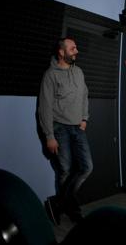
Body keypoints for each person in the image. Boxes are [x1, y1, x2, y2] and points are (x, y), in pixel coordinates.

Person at [38, 37, 93, 224]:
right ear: (61, 52)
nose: (76, 51)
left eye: (76, 48)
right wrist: (49, 136)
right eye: (72, 48)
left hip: (78, 127)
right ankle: (71, 207)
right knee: (65, 171)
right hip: (59, 128)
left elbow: (85, 95)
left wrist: (84, 118)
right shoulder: (50, 75)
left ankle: (57, 203)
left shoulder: (78, 72)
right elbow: (44, 107)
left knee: (86, 167)